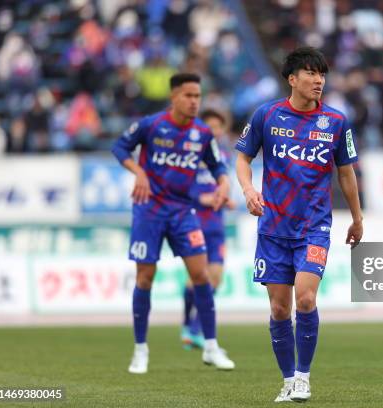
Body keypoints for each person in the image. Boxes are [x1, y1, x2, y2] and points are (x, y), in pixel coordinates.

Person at [235, 46, 364, 402]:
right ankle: (288, 379)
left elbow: (346, 173)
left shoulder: (336, 122)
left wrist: (356, 217)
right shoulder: (267, 115)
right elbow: (243, 157)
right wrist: (247, 190)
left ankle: (304, 377)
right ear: (292, 79)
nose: (318, 80)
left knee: (305, 298)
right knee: (279, 308)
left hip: (314, 226)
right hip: (274, 227)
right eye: (310, 73)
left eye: (321, 74)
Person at [111, 72, 235, 374]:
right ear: (174, 97)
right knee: (144, 278)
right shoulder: (152, 125)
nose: (194, 102)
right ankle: (140, 350)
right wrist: (138, 172)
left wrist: (223, 184)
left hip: (182, 213)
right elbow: (119, 147)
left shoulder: (203, 133)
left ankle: (210, 346)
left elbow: (218, 164)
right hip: (149, 211)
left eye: (198, 96)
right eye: (189, 96)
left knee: (201, 276)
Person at [181, 109, 236, 349]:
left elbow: (223, 187)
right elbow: (181, 190)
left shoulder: (223, 157)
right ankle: (191, 328)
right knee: (198, 280)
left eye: (218, 127)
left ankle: (191, 329)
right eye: (209, 126)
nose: (214, 131)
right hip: (194, 224)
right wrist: (202, 199)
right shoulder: (188, 157)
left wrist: (225, 199)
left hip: (216, 226)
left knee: (215, 279)